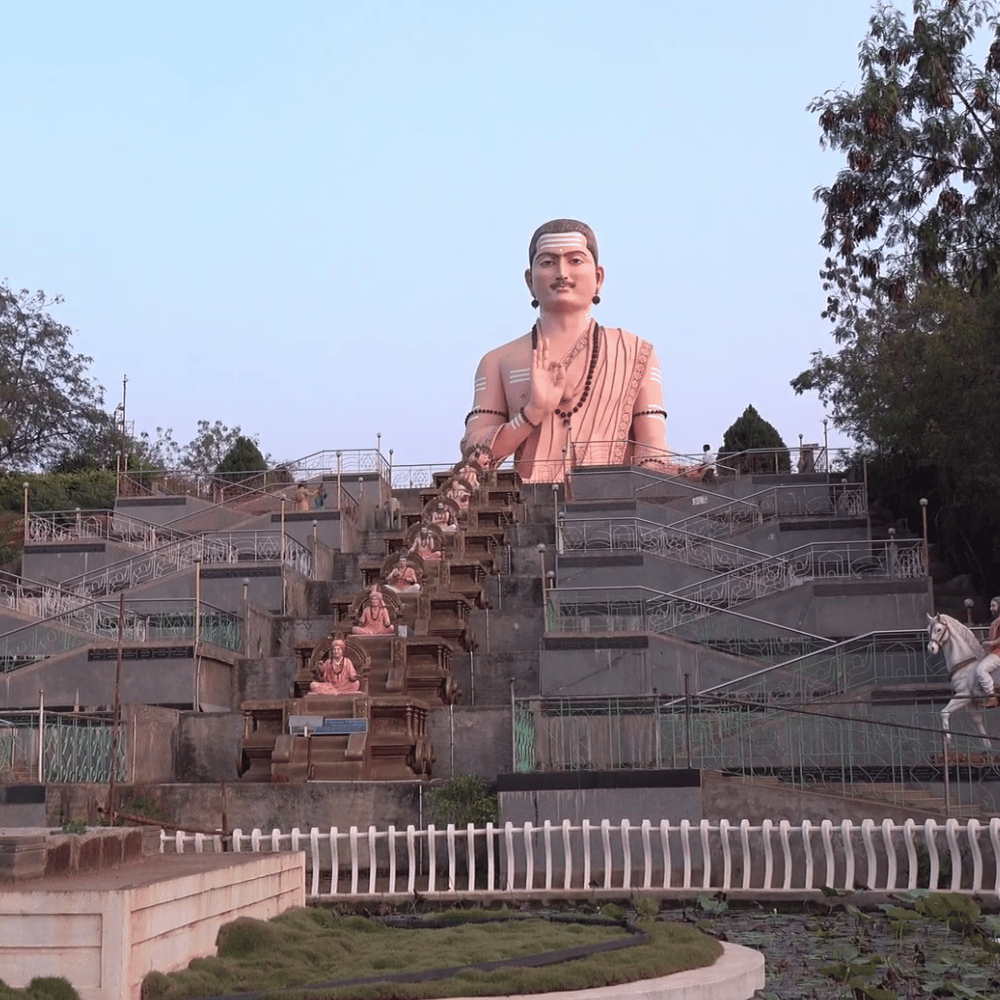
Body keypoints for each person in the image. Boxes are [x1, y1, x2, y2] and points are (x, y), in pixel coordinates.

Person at [462, 219, 675, 483]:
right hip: (525, 502)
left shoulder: (636, 354)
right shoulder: (498, 362)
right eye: (548, 262)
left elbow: (652, 444)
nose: (562, 273)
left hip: (616, 503)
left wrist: (658, 476)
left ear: (598, 278)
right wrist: (532, 413)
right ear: (530, 280)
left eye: (575, 260)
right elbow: (475, 455)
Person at [976, 596, 1000, 708]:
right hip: (995, 651)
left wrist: (991, 643)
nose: (991, 608)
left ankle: (992, 696)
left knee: (981, 670)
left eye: (993, 606)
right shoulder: (996, 621)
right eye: (991, 606)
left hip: (999, 652)